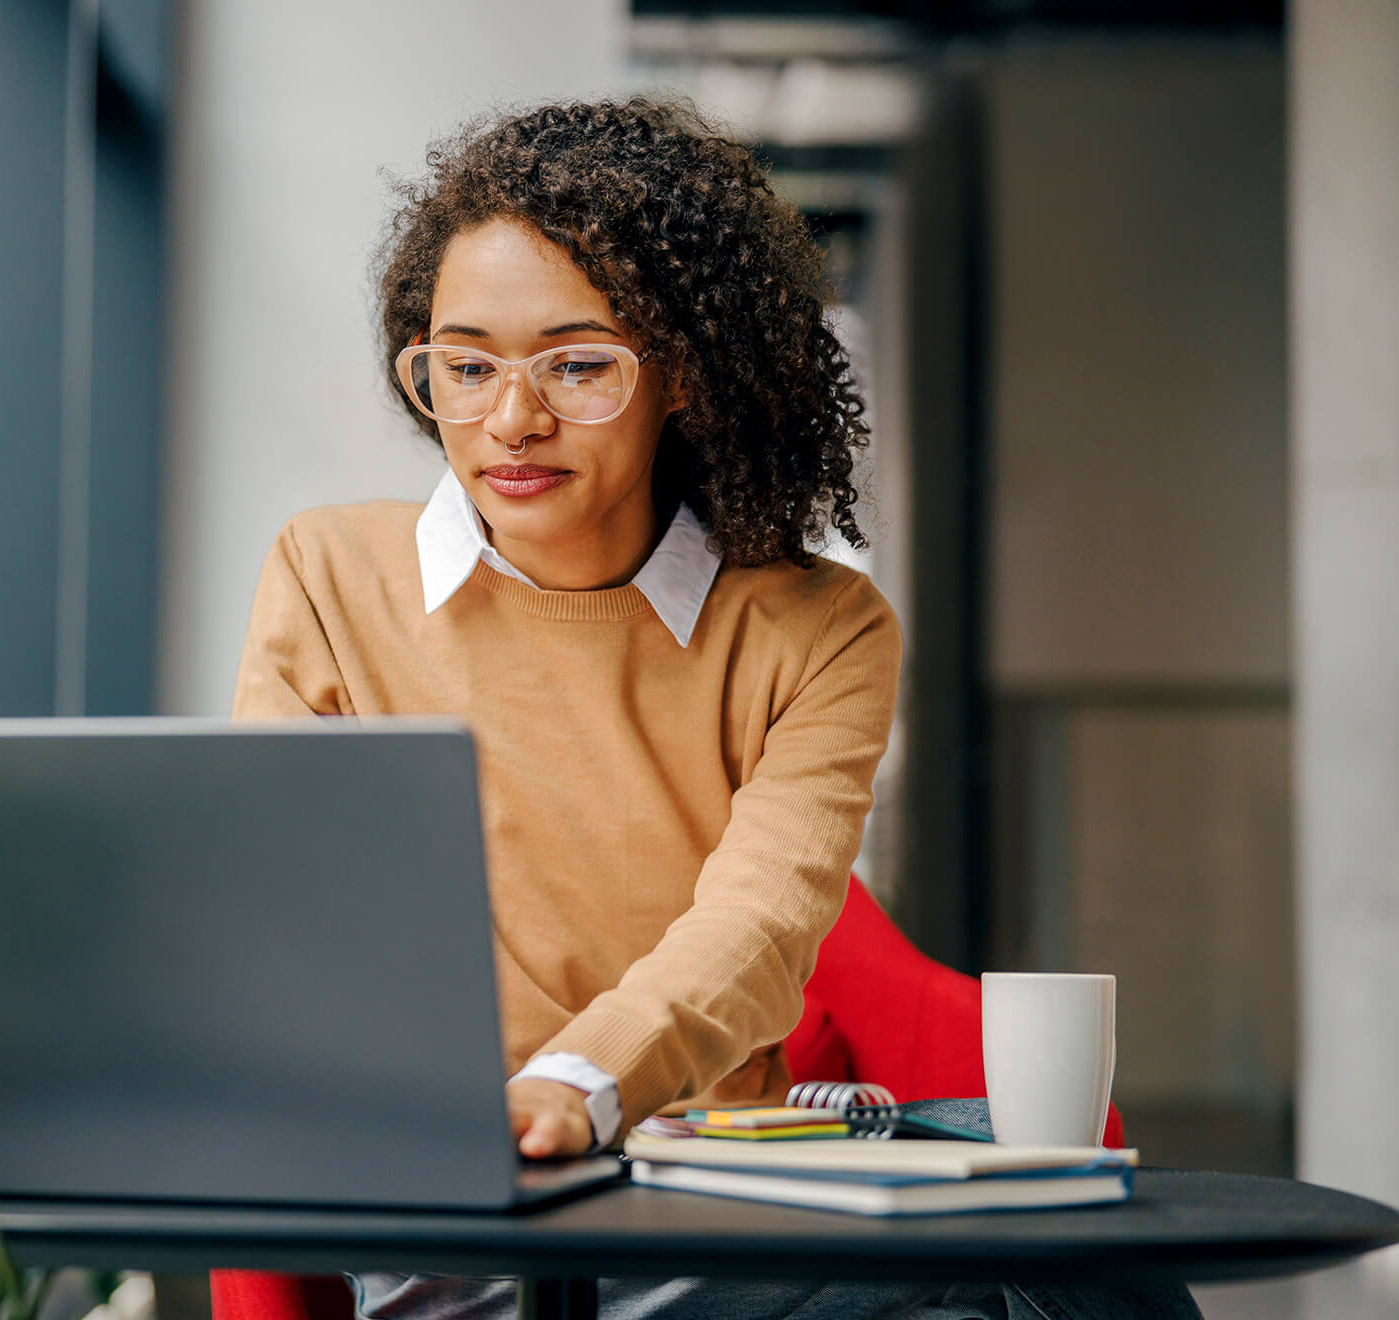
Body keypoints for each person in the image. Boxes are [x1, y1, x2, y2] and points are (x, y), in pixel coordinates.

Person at [232, 98, 1199, 1320]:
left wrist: (583, 1083)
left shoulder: (818, 628)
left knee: (1091, 1258)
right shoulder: (329, 578)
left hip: (715, 1209)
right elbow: (272, 923)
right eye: (466, 368)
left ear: (682, 371)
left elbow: (760, 926)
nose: (511, 420)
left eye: (577, 365)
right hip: (458, 1216)